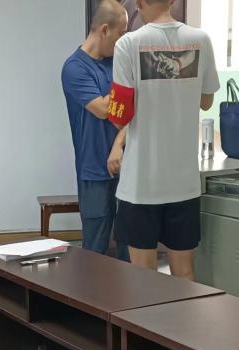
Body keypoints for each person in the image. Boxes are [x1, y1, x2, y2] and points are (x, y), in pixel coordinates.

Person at [108, 0, 219, 278]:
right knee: (184, 274)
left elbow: (120, 116)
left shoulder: (128, 44)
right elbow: (206, 102)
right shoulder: (201, 40)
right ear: (172, 1)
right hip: (183, 183)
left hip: (141, 184)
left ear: (138, 3)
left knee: (142, 277)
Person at [61, 0, 130, 260]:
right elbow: (102, 109)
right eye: (120, 33)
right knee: (95, 251)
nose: (123, 40)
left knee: (129, 247)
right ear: (104, 30)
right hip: (93, 170)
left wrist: (118, 145)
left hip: (127, 165)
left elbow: (136, 111)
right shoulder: (74, 68)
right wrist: (128, 94)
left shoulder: (119, 61)